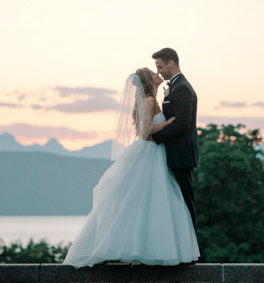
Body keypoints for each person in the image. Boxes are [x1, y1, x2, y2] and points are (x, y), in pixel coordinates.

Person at [63, 68, 200, 268]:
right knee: (142, 200)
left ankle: (145, 248)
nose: (157, 73)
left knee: (149, 202)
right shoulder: (148, 101)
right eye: (154, 72)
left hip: (154, 154)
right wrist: (168, 123)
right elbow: (145, 132)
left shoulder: (151, 100)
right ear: (149, 80)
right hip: (149, 153)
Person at [151, 47, 199, 229]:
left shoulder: (182, 88)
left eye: (160, 67)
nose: (159, 72)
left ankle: (190, 253)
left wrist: (155, 138)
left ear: (171, 64)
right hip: (175, 154)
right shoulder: (177, 86)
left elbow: (182, 123)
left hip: (181, 154)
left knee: (185, 202)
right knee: (177, 202)